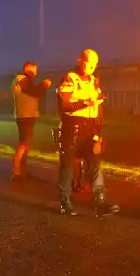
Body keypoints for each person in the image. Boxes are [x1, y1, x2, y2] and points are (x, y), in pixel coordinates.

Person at [56, 48, 114, 216]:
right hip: (72, 128)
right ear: (79, 60)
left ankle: (101, 203)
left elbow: (98, 107)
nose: (91, 66)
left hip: (90, 129)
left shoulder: (94, 81)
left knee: (94, 164)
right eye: (88, 62)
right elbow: (64, 106)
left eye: (94, 64)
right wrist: (85, 103)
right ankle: (65, 202)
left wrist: (99, 131)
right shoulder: (70, 79)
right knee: (67, 166)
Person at [11, 61, 51, 181]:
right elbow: (35, 92)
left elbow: (34, 93)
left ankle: (22, 172)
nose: (36, 73)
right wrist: (44, 85)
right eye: (35, 70)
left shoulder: (24, 81)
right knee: (23, 144)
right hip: (25, 116)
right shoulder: (22, 80)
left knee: (25, 144)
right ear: (29, 69)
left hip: (26, 115)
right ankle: (17, 172)